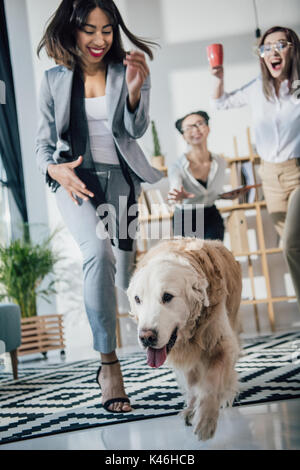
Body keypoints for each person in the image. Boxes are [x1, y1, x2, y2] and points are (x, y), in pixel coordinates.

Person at [36, 0, 162, 413]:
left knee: (126, 280)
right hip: (75, 180)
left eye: (107, 29)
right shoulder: (53, 80)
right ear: (72, 29)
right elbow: (42, 146)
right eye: (90, 29)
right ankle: (108, 365)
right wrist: (55, 171)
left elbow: (135, 129)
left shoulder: (123, 68)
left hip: (121, 180)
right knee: (98, 253)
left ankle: (155, 348)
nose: (99, 39)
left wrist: (135, 90)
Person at [210, 26, 300, 311]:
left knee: (291, 245)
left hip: (298, 172)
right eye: (265, 47)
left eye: (280, 45)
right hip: (270, 176)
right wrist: (219, 78)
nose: (272, 52)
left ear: (293, 50)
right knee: (293, 246)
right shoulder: (256, 90)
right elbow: (221, 103)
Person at [168, 111, 226, 241]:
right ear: (183, 136)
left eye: (199, 124)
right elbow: (174, 194)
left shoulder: (220, 162)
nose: (195, 129)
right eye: (189, 128)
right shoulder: (177, 167)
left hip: (211, 214)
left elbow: (215, 192)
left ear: (208, 128)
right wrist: (178, 197)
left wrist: (227, 195)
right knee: (191, 260)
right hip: (186, 217)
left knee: (213, 258)